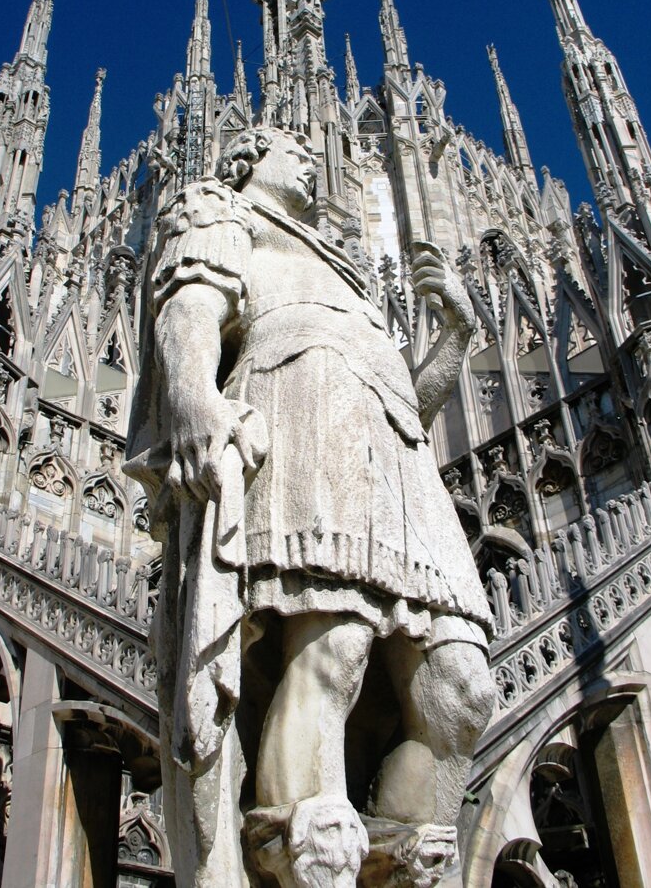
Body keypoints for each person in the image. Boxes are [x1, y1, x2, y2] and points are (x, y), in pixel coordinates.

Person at [126, 127, 494, 888]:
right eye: (288, 147)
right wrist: (195, 396)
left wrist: (455, 335)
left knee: (462, 689)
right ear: (245, 158)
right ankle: (307, 857)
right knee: (334, 648)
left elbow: (405, 401)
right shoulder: (220, 209)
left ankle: (405, 862)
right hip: (300, 423)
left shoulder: (346, 270)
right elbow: (190, 303)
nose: (307, 157)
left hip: (393, 463)